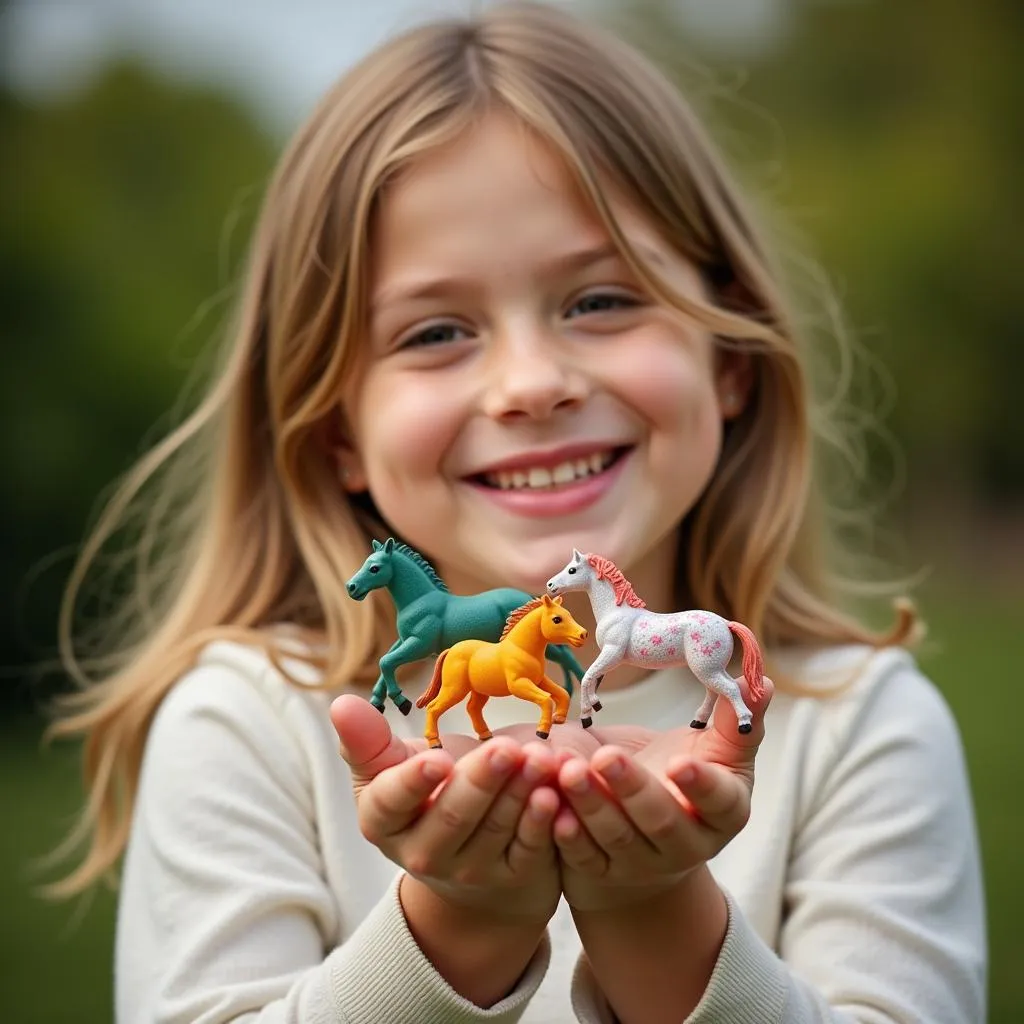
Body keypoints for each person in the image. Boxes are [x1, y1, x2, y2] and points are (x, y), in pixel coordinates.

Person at [49, 2, 986, 1021]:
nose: (531, 382)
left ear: (730, 358)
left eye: (599, 301)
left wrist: (659, 920)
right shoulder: (249, 723)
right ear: (336, 431)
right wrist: (451, 930)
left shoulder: (860, 727)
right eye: (438, 330)